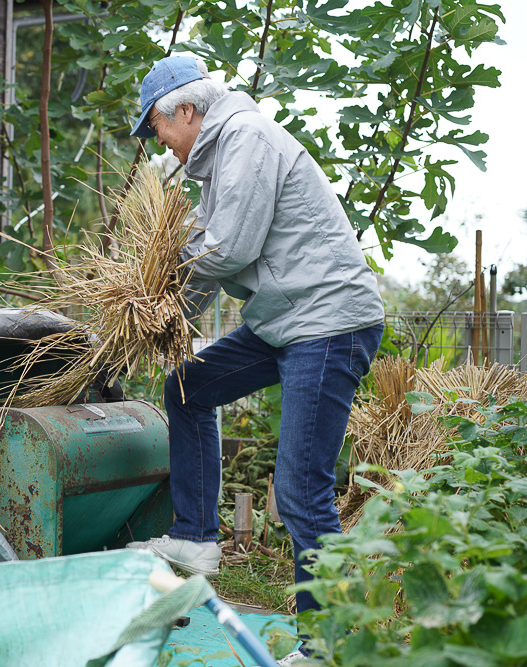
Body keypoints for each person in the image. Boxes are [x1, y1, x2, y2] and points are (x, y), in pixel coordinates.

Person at [124, 56, 384, 662]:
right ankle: (194, 538)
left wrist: (157, 285)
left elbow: (223, 248)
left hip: (327, 322)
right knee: (188, 387)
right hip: (285, 321)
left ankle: (326, 647)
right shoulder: (218, 160)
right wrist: (155, 320)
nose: (157, 141)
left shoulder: (245, 138)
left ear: (185, 111)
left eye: (156, 127)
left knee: (299, 490)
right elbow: (221, 257)